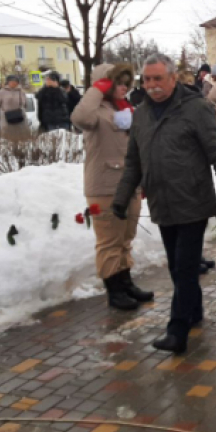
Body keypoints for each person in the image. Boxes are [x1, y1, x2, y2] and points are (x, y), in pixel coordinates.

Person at [113, 53, 216, 355]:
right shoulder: (140, 114)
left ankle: (177, 331)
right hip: (163, 203)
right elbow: (133, 162)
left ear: (173, 78)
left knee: (186, 268)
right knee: (178, 269)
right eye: (147, 79)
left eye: (157, 79)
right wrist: (121, 196)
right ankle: (194, 310)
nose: (151, 85)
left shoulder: (196, 109)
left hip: (193, 201)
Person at [71, 63, 151, 311]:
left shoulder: (126, 108)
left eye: (127, 82)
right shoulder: (96, 110)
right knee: (109, 240)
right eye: (118, 82)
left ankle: (126, 282)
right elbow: (79, 118)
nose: (124, 87)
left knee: (126, 237)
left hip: (130, 184)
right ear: (105, 83)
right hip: (104, 185)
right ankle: (114, 290)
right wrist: (97, 89)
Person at [0, 75, 30, 140]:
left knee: (21, 136)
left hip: (20, 117)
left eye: (15, 81)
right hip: (6, 117)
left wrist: (22, 109)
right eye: (11, 81)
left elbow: (26, 104)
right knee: (7, 137)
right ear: (8, 82)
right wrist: (2, 111)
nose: (13, 83)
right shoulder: (2, 92)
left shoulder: (21, 91)